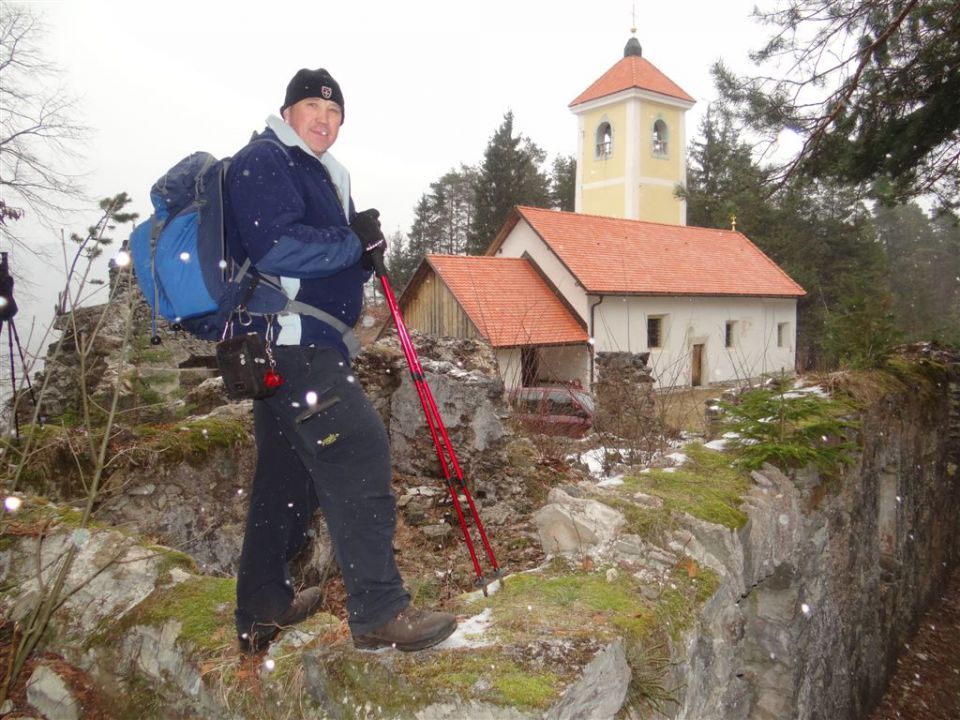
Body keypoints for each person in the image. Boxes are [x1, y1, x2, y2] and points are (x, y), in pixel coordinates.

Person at [224, 67, 457, 654]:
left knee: (287, 477)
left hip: (300, 345)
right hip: (291, 341)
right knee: (359, 451)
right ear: (289, 111)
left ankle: (262, 609)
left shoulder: (321, 171)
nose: (325, 121)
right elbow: (275, 246)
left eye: (335, 114)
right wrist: (351, 242)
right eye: (313, 109)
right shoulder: (266, 159)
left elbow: (320, 259)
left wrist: (362, 248)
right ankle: (380, 611)